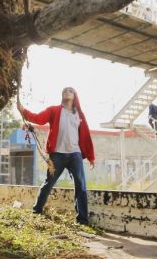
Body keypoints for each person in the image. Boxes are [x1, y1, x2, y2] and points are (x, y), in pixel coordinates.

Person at [17, 87, 95, 225]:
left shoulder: (80, 115)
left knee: (81, 184)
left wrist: (90, 156)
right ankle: (37, 210)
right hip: (57, 155)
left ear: (75, 95)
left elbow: (85, 135)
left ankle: (82, 219)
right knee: (48, 183)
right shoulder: (54, 110)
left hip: (75, 155)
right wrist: (23, 111)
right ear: (62, 95)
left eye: (70, 91)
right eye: (64, 91)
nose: (67, 92)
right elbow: (38, 118)